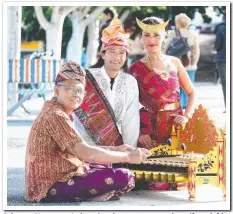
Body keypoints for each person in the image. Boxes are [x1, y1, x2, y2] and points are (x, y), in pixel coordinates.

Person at [25, 61, 151, 203]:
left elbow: (82, 148)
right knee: (125, 176)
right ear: (56, 90)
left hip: (59, 174)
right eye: (69, 88)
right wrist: (127, 156)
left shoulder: (58, 110)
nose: (75, 94)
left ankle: (93, 193)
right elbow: (86, 153)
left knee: (107, 163)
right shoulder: (55, 115)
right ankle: (91, 194)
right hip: (49, 186)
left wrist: (117, 149)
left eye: (79, 90)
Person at [127, 17, 196, 149]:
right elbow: (129, 106)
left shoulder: (174, 62)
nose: (151, 40)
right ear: (141, 38)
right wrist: (139, 132)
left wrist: (186, 116)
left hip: (176, 126)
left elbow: (192, 92)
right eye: (147, 35)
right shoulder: (134, 69)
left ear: (164, 36)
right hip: (148, 130)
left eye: (156, 35)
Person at [73, 17, 140, 148]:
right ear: (103, 54)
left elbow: (131, 121)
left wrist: (128, 151)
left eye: (122, 52)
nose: (117, 57)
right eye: (112, 51)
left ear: (126, 56)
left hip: (115, 147)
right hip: (84, 147)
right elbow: (75, 116)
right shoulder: (87, 77)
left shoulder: (130, 82)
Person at [164, 13, 200, 109]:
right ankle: (187, 105)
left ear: (177, 22)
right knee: (189, 86)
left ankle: (178, 104)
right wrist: (194, 63)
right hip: (189, 64)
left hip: (174, 64)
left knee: (176, 85)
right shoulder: (192, 34)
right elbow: (196, 51)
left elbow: (166, 48)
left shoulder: (172, 33)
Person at [214, 13, 226, 110]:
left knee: (226, 83)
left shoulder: (221, 28)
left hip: (223, 58)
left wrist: (215, 48)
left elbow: (218, 43)